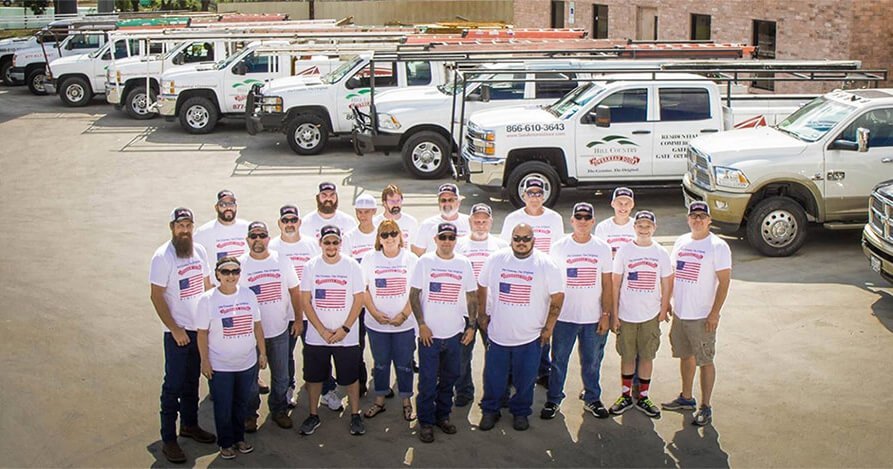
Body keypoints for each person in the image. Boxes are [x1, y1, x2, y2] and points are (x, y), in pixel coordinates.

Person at [477, 223, 564, 432]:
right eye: (517, 238)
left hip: (530, 337)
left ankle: (521, 412)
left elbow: (558, 296)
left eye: (526, 239)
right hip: (498, 335)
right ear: (511, 239)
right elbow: (482, 284)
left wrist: (549, 327)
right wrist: (482, 314)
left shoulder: (546, 264)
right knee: (493, 378)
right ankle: (490, 410)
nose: (521, 243)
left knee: (525, 380)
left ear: (533, 240)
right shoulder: (496, 259)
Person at [149, 207, 216, 464]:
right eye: (180, 226)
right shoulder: (162, 257)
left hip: (198, 330)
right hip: (177, 333)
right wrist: (175, 329)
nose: (185, 230)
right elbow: (156, 296)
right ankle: (168, 439)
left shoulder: (198, 251)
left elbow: (207, 287)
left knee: (191, 382)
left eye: (188, 225)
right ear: (172, 228)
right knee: (173, 385)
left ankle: (189, 425)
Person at [541, 202, 613, 420]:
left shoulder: (602, 248)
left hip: (592, 318)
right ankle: (554, 400)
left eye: (586, 218)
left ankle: (592, 398)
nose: (582, 221)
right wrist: (550, 318)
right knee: (559, 360)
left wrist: (606, 314)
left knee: (591, 361)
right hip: (565, 317)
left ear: (593, 221)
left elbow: (607, 284)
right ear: (571, 221)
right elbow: (551, 285)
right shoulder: (559, 247)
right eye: (578, 217)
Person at [662, 201, 731, 426]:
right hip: (681, 314)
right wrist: (668, 302)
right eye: (694, 216)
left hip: (702, 316)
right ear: (688, 218)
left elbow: (724, 282)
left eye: (703, 216)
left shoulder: (717, 246)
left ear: (709, 220)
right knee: (685, 355)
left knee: (705, 360)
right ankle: (686, 397)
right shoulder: (682, 241)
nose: (698, 220)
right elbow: (673, 274)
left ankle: (706, 406)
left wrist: (714, 314)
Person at [409, 223, 478, 443]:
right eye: (443, 237)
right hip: (429, 336)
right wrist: (421, 324)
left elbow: (472, 296)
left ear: (455, 240)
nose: (447, 241)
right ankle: (426, 422)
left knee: (449, 380)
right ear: (436, 239)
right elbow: (414, 295)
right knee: (428, 382)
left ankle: (443, 416)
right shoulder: (425, 262)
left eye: (451, 237)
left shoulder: (463, 263)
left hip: (454, 335)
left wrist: (471, 326)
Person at [298, 225, 367, 436]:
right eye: (327, 242)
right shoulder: (311, 266)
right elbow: (305, 301)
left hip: (346, 336)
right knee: (314, 378)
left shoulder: (352, 266)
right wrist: (321, 330)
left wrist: (345, 329)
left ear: (340, 244)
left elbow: (359, 299)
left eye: (335, 242)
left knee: (351, 378)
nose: (331, 246)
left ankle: (355, 415)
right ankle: (313, 414)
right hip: (317, 336)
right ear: (320, 243)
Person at [196, 257, 267, 460]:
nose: (230, 276)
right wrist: (205, 361)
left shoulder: (248, 294)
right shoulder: (207, 300)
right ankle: (226, 443)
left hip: (247, 364)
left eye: (235, 271)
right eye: (225, 272)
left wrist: (262, 352)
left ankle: (239, 439)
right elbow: (202, 333)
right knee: (223, 406)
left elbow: (257, 326)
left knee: (241, 404)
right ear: (217, 274)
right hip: (221, 366)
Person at [499, 177, 564, 388]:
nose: (534, 197)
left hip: (544, 277)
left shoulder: (554, 218)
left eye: (538, 193)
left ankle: (543, 369)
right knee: (517, 322)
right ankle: (510, 371)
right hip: (518, 276)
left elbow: (558, 251)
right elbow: (504, 248)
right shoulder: (512, 219)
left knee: (543, 323)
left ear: (544, 195)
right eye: (530, 193)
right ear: (523, 195)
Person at [609, 211, 673, 418]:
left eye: (648, 226)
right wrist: (615, 314)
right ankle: (626, 395)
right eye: (640, 225)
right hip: (627, 314)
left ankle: (643, 396)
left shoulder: (661, 252)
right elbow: (616, 283)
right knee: (627, 356)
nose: (644, 229)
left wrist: (663, 308)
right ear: (634, 227)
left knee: (646, 356)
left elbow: (666, 282)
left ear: (654, 228)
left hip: (650, 315)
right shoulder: (624, 251)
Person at [239, 222, 300, 431]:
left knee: (282, 376)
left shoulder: (281, 261)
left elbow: (295, 291)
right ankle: (249, 415)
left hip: (279, 331)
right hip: (249, 335)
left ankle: (278, 409)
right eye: (253, 236)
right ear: (247, 240)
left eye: (262, 235)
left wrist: (298, 319)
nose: (258, 240)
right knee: (250, 380)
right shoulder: (240, 265)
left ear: (268, 238)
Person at [298, 182, 355, 410]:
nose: (328, 198)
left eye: (332, 194)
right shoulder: (307, 223)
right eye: (324, 194)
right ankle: (323, 389)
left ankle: (349, 389)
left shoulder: (347, 222)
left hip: (342, 298)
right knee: (316, 355)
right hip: (316, 297)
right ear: (318, 197)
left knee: (348, 354)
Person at [361, 219, 419, 422]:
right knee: (381, 363)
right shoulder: (369, 258)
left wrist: (403, 315)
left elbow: (416, 292)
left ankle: (406, 401)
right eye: (384, 235)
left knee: (404, 364)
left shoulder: (411, 259)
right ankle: (379, 400)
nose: (389, 238)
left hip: (405, 325)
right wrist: (376, 313)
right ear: (379, 238)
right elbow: (363, 290)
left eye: (393, 233)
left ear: (400, 235)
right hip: (376, 325)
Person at [453, 203, 507, 407]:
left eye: (485, 221)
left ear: (491, 222)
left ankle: (497, 394)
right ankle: (464, 391)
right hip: (464, 311)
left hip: (492, 311)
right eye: (477, 221)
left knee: (495, 357)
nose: (481, 224)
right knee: (461, 357)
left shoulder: (501, 246)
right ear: (470, 222)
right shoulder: (458, 245)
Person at [268, 205, 319, 408]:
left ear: (299, 222)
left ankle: (318, 386)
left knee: (313, 352)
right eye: (285, 220)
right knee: (284, 356)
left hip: (310, 312)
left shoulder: (312, 245)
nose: (290, 224)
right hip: (284, 313)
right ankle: (287, 387)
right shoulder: (271, 246)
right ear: (279, 223)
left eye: (293, 220)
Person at [342, 193, 379, 395]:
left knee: (379, 347)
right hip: (357, 302)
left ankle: (380, 384)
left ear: (374, 212)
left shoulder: (381, 235)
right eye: (359, 212)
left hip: (378, 300)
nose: (363, 216)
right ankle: (360, 382)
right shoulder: (348, 238)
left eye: (366, 212)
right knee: (357, 345)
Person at [194, 190, 251, 274]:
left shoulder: (248, 228)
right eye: (223, 204)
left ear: (236, 207)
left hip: (244, 285)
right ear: (216, 207)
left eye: (231, 204)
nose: (228, 208)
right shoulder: (203, 232)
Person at [411, 183, 470, 256]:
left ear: (458, 202)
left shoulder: (470, 222)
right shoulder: (427, 224)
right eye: (443, 200)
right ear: (439, 203)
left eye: (451, 200)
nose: (447, 203)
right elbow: (417, 254)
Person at [594, 187, 636, 257]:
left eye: (627, 203)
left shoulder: (638, 226)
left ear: (632, 205)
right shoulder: (602, 227)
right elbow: (599, 254)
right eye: (620, 203)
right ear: (612, 204)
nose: (623, 207)